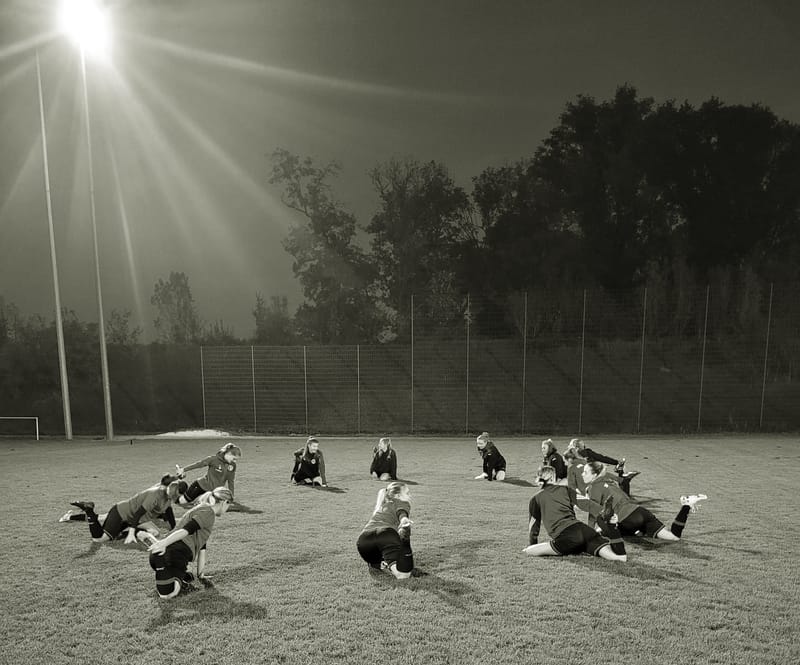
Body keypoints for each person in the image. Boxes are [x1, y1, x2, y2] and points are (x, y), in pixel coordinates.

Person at [580, 460, 707, 553]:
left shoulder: (593, 487)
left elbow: (593, 513)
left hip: (626, 519)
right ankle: (686, 505)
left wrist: (590, 534)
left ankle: (635, 532)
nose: (582, 474)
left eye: (585, 472)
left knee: (605, 527)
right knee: (674, 537)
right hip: (640, 512)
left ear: (594, 475)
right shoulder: (610, 481)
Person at [523, 465, 626, 561]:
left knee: (528, 551)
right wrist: (603, 512)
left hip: (567, 537)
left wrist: (532, 544)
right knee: (619, 558)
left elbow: (534, 527)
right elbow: (587, 503)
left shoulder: (535, 499)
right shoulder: (566, 489)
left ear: (538, 478)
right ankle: (612, 528)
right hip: (585, 531)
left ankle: (577, 547)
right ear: (553, 478)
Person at [147, 487, 232, 599]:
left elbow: (202, 548)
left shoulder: (203, 509)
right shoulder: (208, 513)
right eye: (229, 505)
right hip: (173, 553)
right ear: (224, 502)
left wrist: (201, 575)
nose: (228, 509)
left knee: (186, 577)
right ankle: (162, 566)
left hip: (168, 552)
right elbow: (186, 530)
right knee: (168, 595)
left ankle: (167, 572)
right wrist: (163, 544)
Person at [67, 475, 187, 544]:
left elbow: (169, 512)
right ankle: (88, 510)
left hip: (132, 517)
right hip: (122, 513)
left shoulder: (168, 498)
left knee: (155, 532)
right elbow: (138, 514)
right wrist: (131, 533)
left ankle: (70, 516)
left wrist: (173, 530)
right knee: (99, 539)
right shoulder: (155, 495)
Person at [356, 481, 414, 579]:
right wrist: (404, 519)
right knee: (404, 575)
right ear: (398, 495)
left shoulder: (382, 506)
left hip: (363, 541)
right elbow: (401, 511)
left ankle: (378, 563)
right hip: (386, 534)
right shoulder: (402, 502)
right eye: (407, 493)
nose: (410, 495)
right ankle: (403, 546)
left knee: (379, 561)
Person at [566, 437, 639, 496]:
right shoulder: (586, 453)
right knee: (620, 480)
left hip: (587, 480)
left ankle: (622, 481)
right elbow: (601, 458)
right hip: (593, 477)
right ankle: (623, 484)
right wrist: (616, 462)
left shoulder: (570, 457)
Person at [176, 442, 241, 504]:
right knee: (183, 501)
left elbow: (231, 481)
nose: (235, 461)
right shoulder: (213, 459)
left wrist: (231, 497)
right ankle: (176, 491)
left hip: (213, 492)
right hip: (200, 486)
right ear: (229, 454)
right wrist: (184, 469)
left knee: (211, 504)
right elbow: (199, 464)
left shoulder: (232, 465)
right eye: (234, 458)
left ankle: (198, 499)